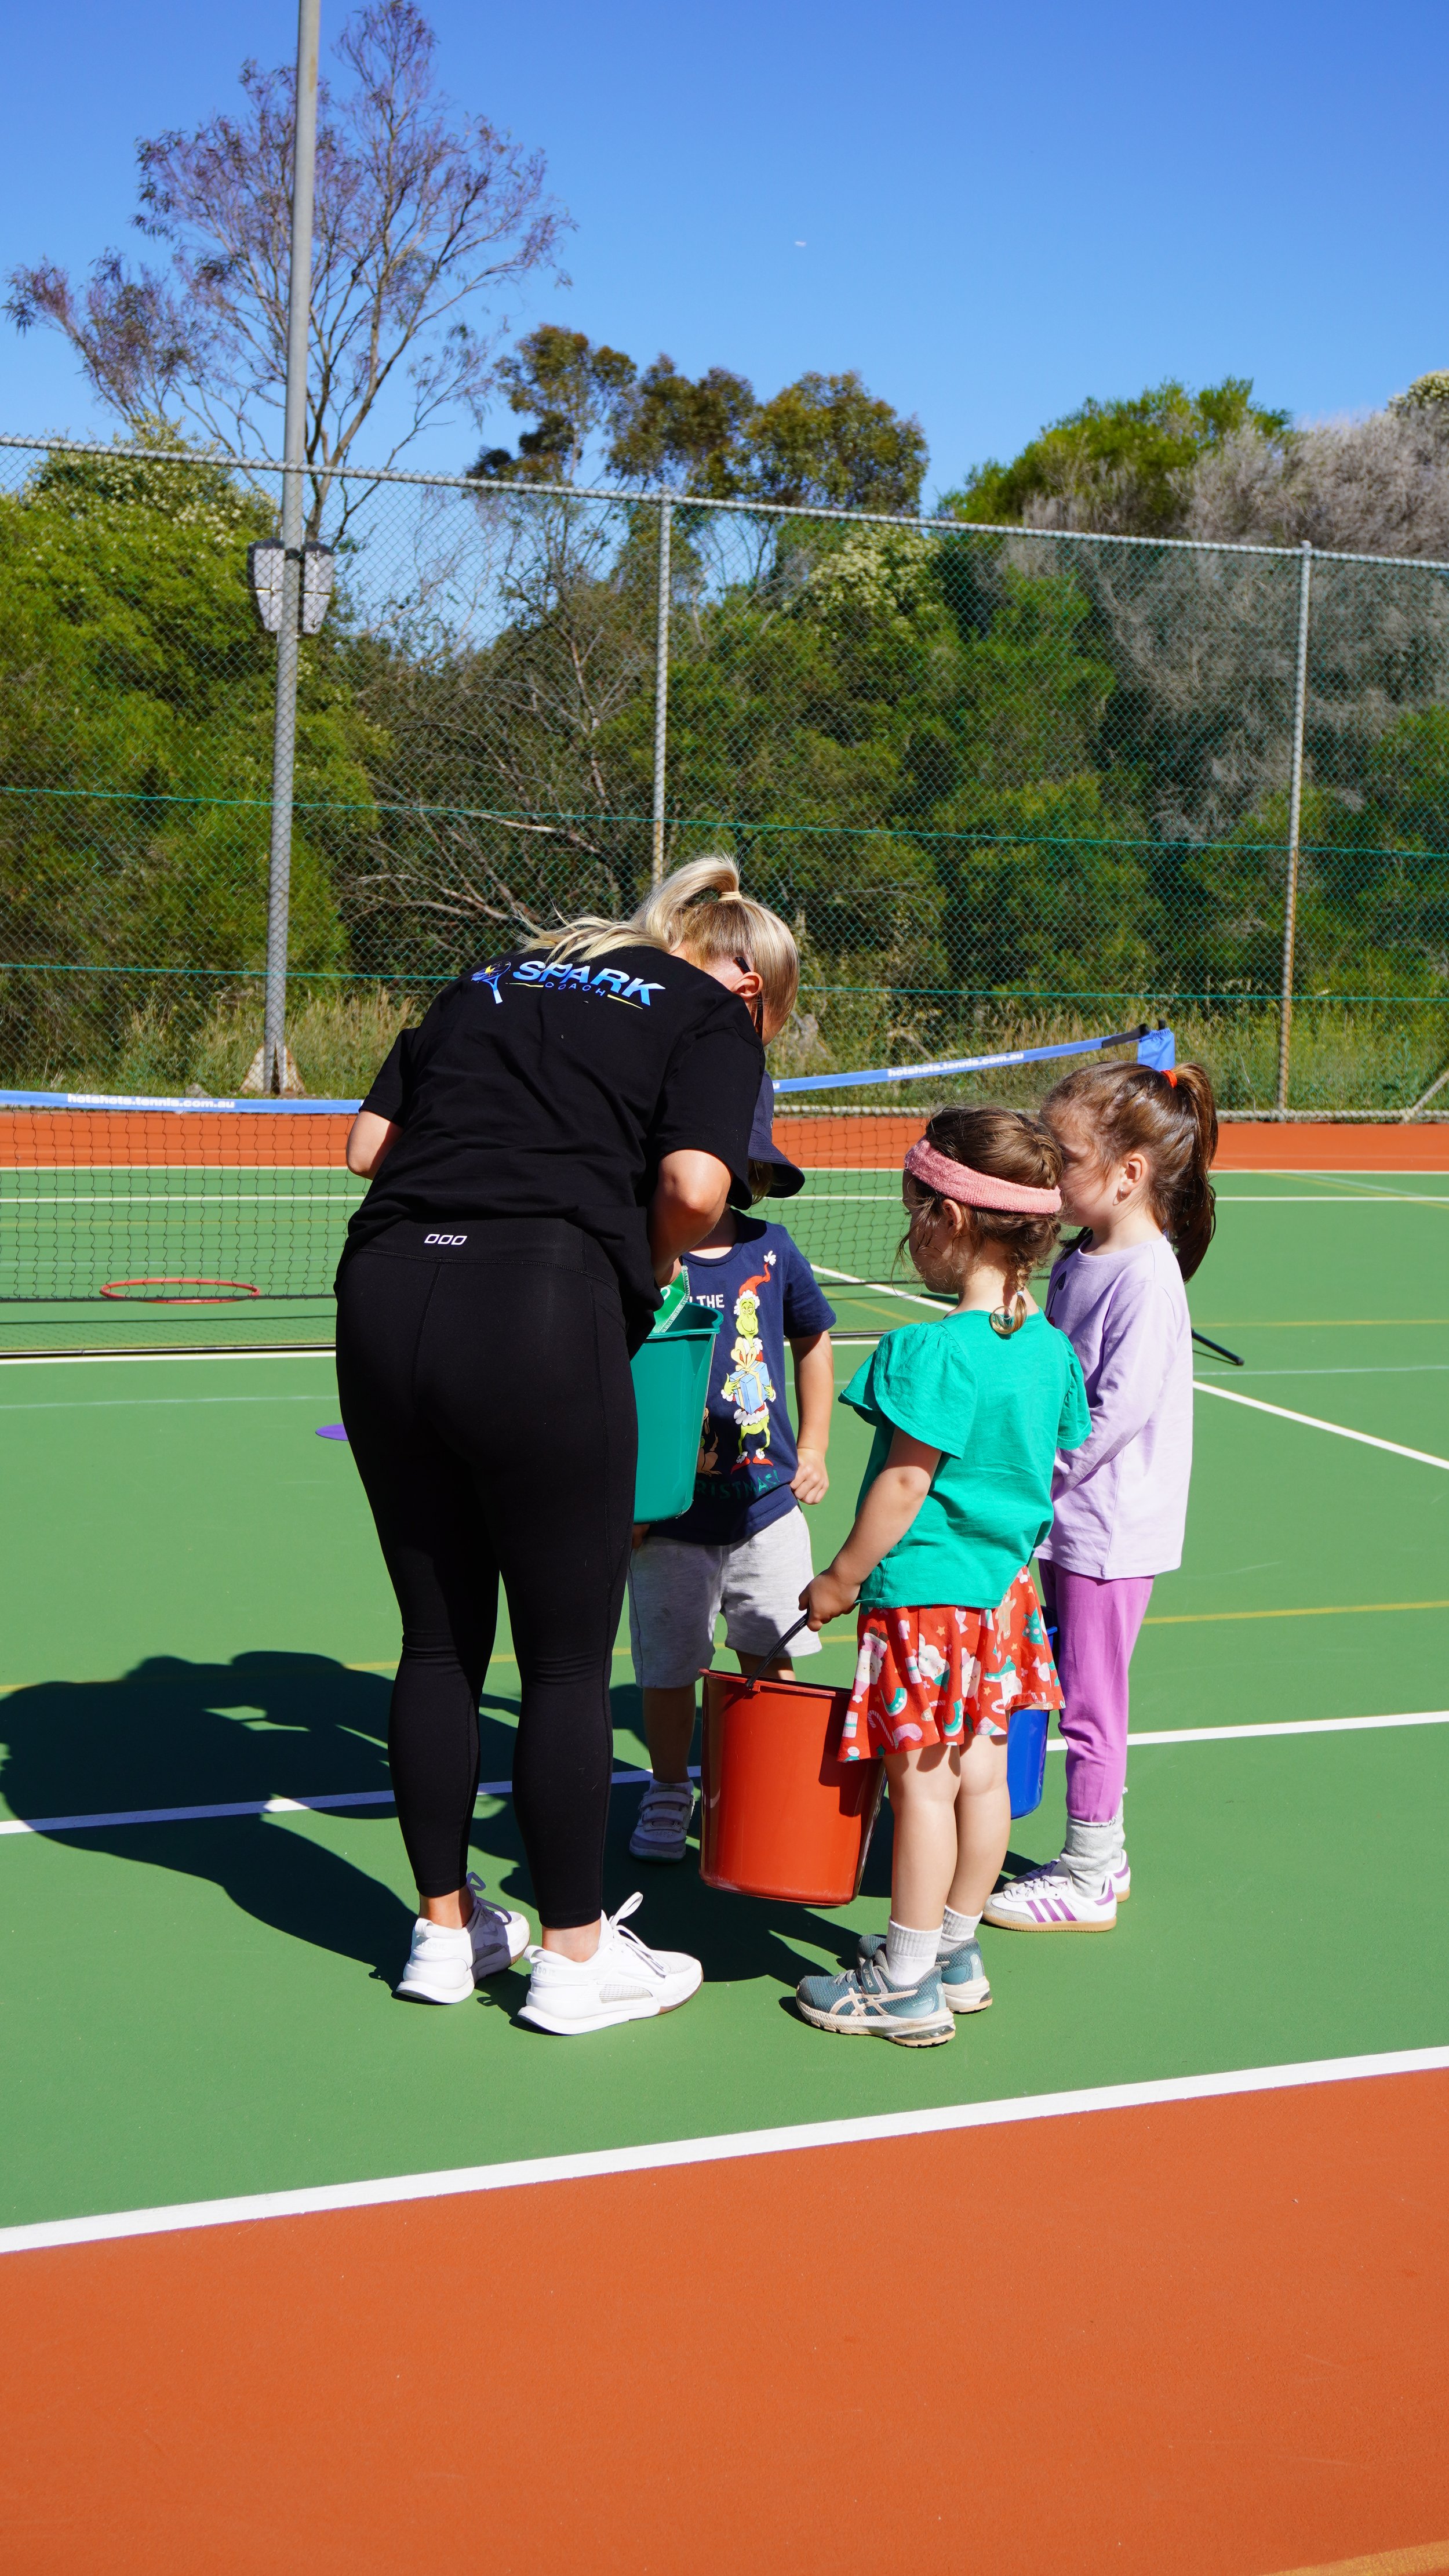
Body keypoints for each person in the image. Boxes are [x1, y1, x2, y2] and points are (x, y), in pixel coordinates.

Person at [336, 855, 798, 2035]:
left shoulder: (487, 980)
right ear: (742, 982)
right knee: (558, 1658)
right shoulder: (710, 1014)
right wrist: (633, 1264)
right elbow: (698, 1185)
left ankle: (443, 1934)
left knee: (435, 1637)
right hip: (540, 1303)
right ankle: (574, 1958)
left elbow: (364, 1146)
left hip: (383, 1288)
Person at [792, 1107, 1091, 2046]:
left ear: (949, 1221)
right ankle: (958, 1950)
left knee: (918, 1787)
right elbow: (1053, 1453)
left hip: (926, 1598)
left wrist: (840, 1577)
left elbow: (906, 1480)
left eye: (913, 1210)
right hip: (1006, 1599)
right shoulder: (1050, 1351)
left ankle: (906, 1977)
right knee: (983, 1780)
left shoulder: (926, 1350)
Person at [983, 1055, 1218, 1934]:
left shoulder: (1148, 1276)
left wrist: (1036, 1478)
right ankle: (1100, 1854)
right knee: (1069, 1685)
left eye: (1065, 1157)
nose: (1051, 1171)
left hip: (1108, 1529)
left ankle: (1087, 1873)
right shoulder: (1085, 1256)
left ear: (1128, 1176)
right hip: (1070, 1517)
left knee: (1090, 1700)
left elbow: (1112, 1411)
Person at [626, 1076, 836, 1862]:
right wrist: (634, 1494)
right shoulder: (642, 1252)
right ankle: (670, 1786)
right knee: (670, 1664)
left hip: (765, 1509)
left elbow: (813, 1341)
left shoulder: (772, 1250)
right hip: (667, 1523)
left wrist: (812, 1447)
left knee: (769, 1648)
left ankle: (755, 1776)